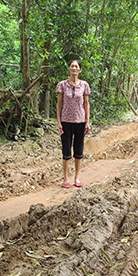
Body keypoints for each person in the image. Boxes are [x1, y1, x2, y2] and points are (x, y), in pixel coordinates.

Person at [56, 60, 91, 188]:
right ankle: (65, 178)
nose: (74, 68)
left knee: (78, 150)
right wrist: (59, 122)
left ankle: (77, 177)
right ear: (69, 68)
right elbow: (59, 104)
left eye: (76, 66)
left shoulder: (84, 85)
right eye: (72, 66)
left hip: (80, 122)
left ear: (80, 70)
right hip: (66, 121)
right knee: (66, 151)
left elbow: (86, 104)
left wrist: (87, 122)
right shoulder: (62, 85)